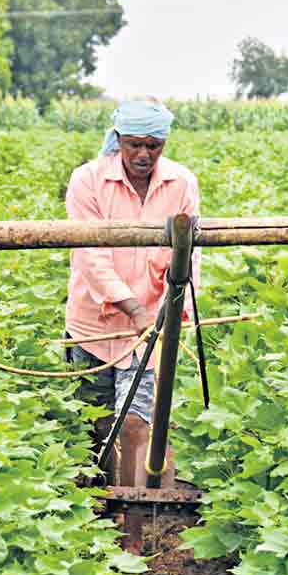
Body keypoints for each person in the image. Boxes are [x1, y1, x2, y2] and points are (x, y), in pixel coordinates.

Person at [64, 97, 201, 485]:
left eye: (153, 146)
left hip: (152, 326)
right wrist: (131, 307)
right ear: (118, 139)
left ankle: (133, 520)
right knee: (97, 417)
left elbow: (190, 253)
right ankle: (102, 499)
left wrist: (181, 310)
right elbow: (90, 255)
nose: (144, 154)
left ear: (164, 144)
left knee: (137, 422)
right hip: (94, 324)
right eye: (134, 144)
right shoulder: (88, 180)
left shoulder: (180, 182)